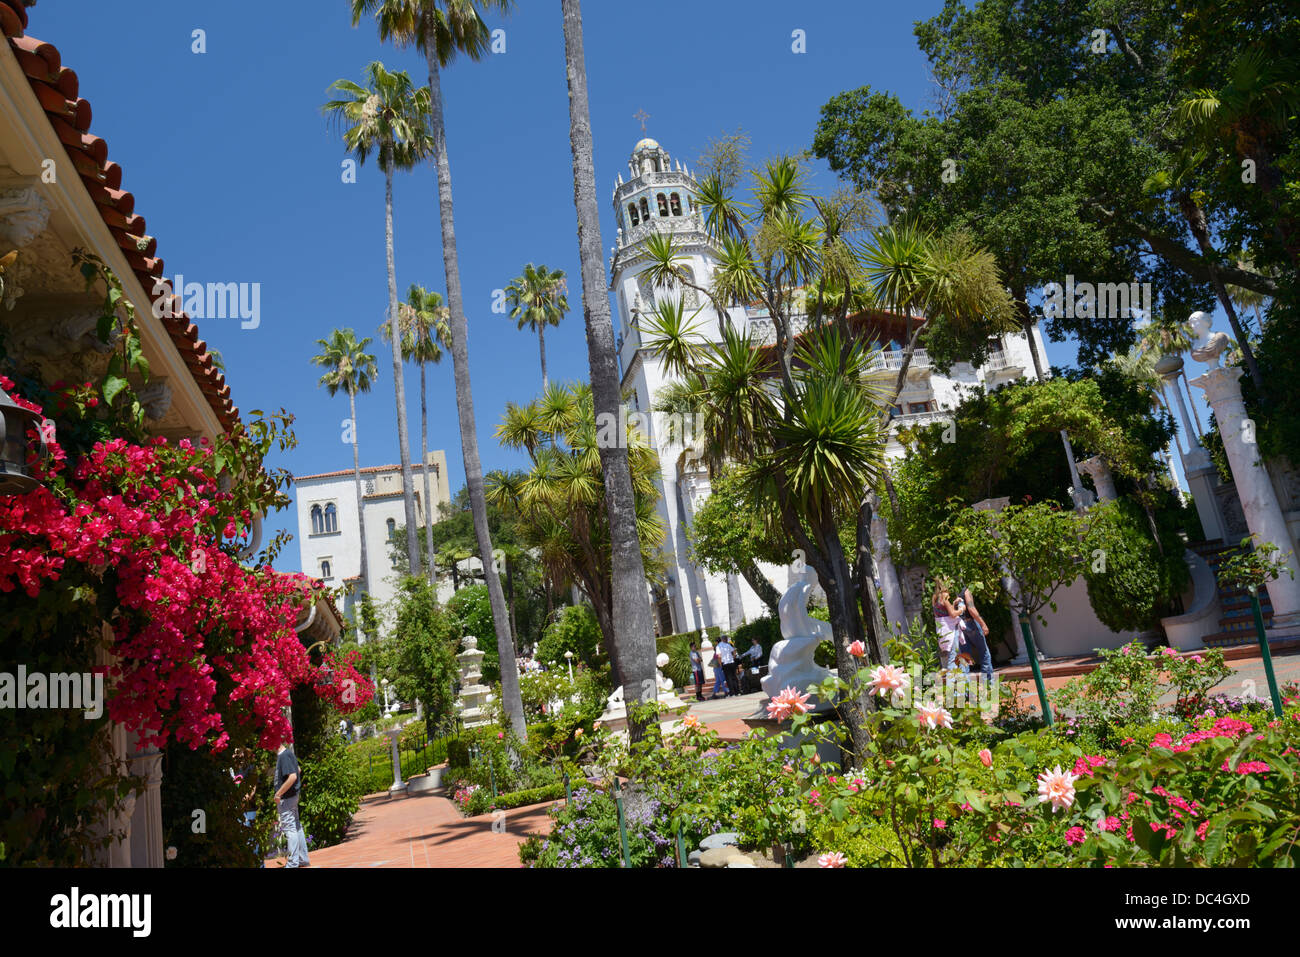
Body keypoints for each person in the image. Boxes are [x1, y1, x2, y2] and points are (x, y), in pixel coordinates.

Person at [274, 740, 310, 868]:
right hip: (293, 797)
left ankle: (293, 863)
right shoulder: (288, 753)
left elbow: (293, 776)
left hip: (287, 798)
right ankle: (302, 859)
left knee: (290, 829)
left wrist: (279, 793)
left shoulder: (283, 755)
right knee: (296, 826)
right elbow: (298, 770)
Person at [959, 584, 995, 683]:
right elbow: (971, 608)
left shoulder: (951, 592)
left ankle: (964, 689)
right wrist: (983, 624)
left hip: (959, 625)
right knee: (984, 652)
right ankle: (988, 682)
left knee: (964, 657)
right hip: (970, 623)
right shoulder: (965, 590)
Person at [932, 580, 966, 674]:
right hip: (951, 631)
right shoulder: (945, 596)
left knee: (955, 658)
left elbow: (942, 612)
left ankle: (962, 687)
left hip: (942, 632)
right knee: (953, 660)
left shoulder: (935, 597)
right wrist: (961, 609)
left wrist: (954, 603)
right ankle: (952, 687)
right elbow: (952, 614)